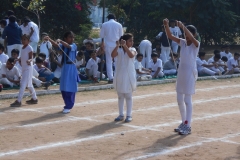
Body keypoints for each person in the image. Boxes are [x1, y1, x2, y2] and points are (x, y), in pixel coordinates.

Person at [164, 18, 200, 135]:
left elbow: (193, 39)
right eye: (184, 33)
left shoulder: (196, 44)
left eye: (188, 33)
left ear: (194, 34)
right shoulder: (183, 42)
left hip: (190, 73)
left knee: (187, 100)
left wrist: (183, 27)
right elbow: (170, 36)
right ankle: (183, 122)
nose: (185, 35)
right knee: (179, 99)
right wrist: (166, 25)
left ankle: (188, 125)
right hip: (181, 72)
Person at [46, 31, 80, 114]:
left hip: (71, 67)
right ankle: (66, 103)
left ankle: (69, 105)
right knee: (64, 86)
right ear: (65, 38)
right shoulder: (62, 46)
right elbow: (56, 45)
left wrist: (60, 41)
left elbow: (67, 46)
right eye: (69, 37)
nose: (72, 39)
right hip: (65, 67)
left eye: (72, 37)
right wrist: (49, 39)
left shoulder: (73, 45)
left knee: (70, 86)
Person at [111, 33, 137, 122]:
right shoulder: (120, 50)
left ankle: (129, 115)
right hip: (120, 75)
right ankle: (121, 114)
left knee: (128, 96)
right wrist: (118, 45)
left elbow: (131, 55)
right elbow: (113, 55)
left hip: (129, 76)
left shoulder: (133, 49)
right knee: (120, 96)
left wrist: (125, 45)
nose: (132, 42)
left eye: (132, 40)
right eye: (130, 41)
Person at [10, 34, 38, 107]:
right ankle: (34, 98)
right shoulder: (22, 48)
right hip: (24, 68)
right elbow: (22, 57)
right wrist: (17, 59)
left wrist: (29, 60)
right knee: (29, 85)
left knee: (23, 84)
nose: (23, 41)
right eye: (22, 39)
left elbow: (31, 58)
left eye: (24, 39)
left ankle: (18, 101)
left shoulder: (29, 48)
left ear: (28, 41)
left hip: (28, 68)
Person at [100, 13, 123, 84]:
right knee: (117, 61)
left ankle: (111, 78)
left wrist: (102, 44)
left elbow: (102, 36)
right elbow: (121, 36)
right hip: (116, 44)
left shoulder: (104, 24)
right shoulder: (119, 25)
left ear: (108, 18)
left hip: (108, 44)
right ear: (115, 18)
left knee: (109, 61)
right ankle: (117, 77)